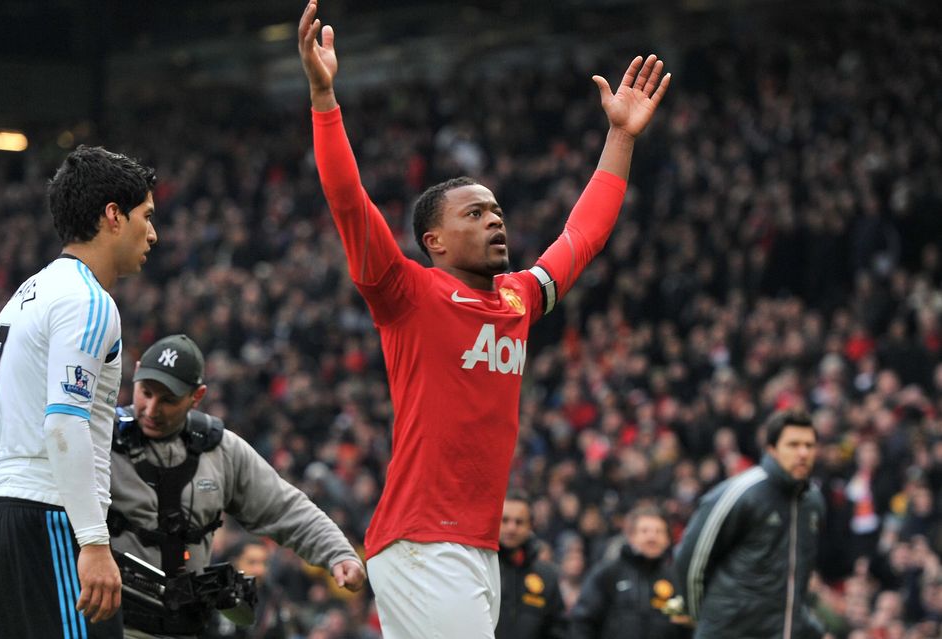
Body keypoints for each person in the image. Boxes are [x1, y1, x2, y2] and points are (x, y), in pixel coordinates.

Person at [298, 1, 671, 636]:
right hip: (422, 539)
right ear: (434, 241)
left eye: (495, 209)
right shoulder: (406, 293)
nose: (494, 218)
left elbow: (582, 236)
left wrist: (621, 137)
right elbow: (347, 199)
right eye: (473, 213)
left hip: (474, 542)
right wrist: (324, 96)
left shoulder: (518, 300)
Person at [0, 145, 158, 638]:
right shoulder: (89, 301)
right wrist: (94, 543)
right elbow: (62, 421)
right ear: (113, 216)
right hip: (50, 518)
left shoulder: (27, 293)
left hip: (4, 515)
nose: (153, 233)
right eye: (147, 216)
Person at [102, 334, 365, 638]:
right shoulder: (101, 439)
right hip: (109, 626)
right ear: (134, 373)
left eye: (168, 400)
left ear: (196, 396)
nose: (150, 408)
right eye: (145, 392)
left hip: (184, 630)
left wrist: (337, 552)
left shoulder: (221, 451)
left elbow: (284, 507)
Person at [674, 410, 827, 639]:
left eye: (809, 445)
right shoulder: (740, 493)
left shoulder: (813, 502)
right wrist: (705, 618)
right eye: (793, 445)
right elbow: (691, 558)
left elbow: (797, 581)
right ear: (772, 450)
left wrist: (811, 629)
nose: (803, 453)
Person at [569, 505, 690, 639]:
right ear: (630, 536)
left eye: (658, 531)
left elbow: (684, 626)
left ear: (667, 540)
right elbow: (582, 622)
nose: (652, 537)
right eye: (644, 531)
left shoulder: (675, 578)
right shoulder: (608, 573)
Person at [496, 492, 565, 639]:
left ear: (530, 525)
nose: (511, 528)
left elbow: (558, 629)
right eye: (505, 520)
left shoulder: (547, 576)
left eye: (519, 522)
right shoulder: (482, 569)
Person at [205, 538, 292, 639]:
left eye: (264, 563)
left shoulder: (273, 597)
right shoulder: (211, 595)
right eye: (252, 562)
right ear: (233, 564)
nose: (260, 570)